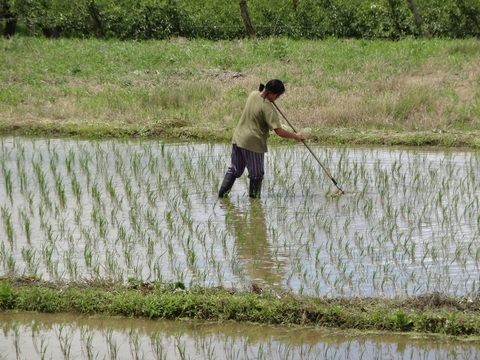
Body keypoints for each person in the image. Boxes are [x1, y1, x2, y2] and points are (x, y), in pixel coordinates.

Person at [218, 79, 304, 199]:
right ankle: (255, 206)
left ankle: (221, 197)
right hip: (252, 143)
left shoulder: (253, 94)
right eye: (278, 95)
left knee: (234, 170)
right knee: (256, 175)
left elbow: (260, 93)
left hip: (238, 139)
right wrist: (296, 136)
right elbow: (279, 131)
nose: (278, 98)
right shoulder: (268, 108)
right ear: (272, 94)